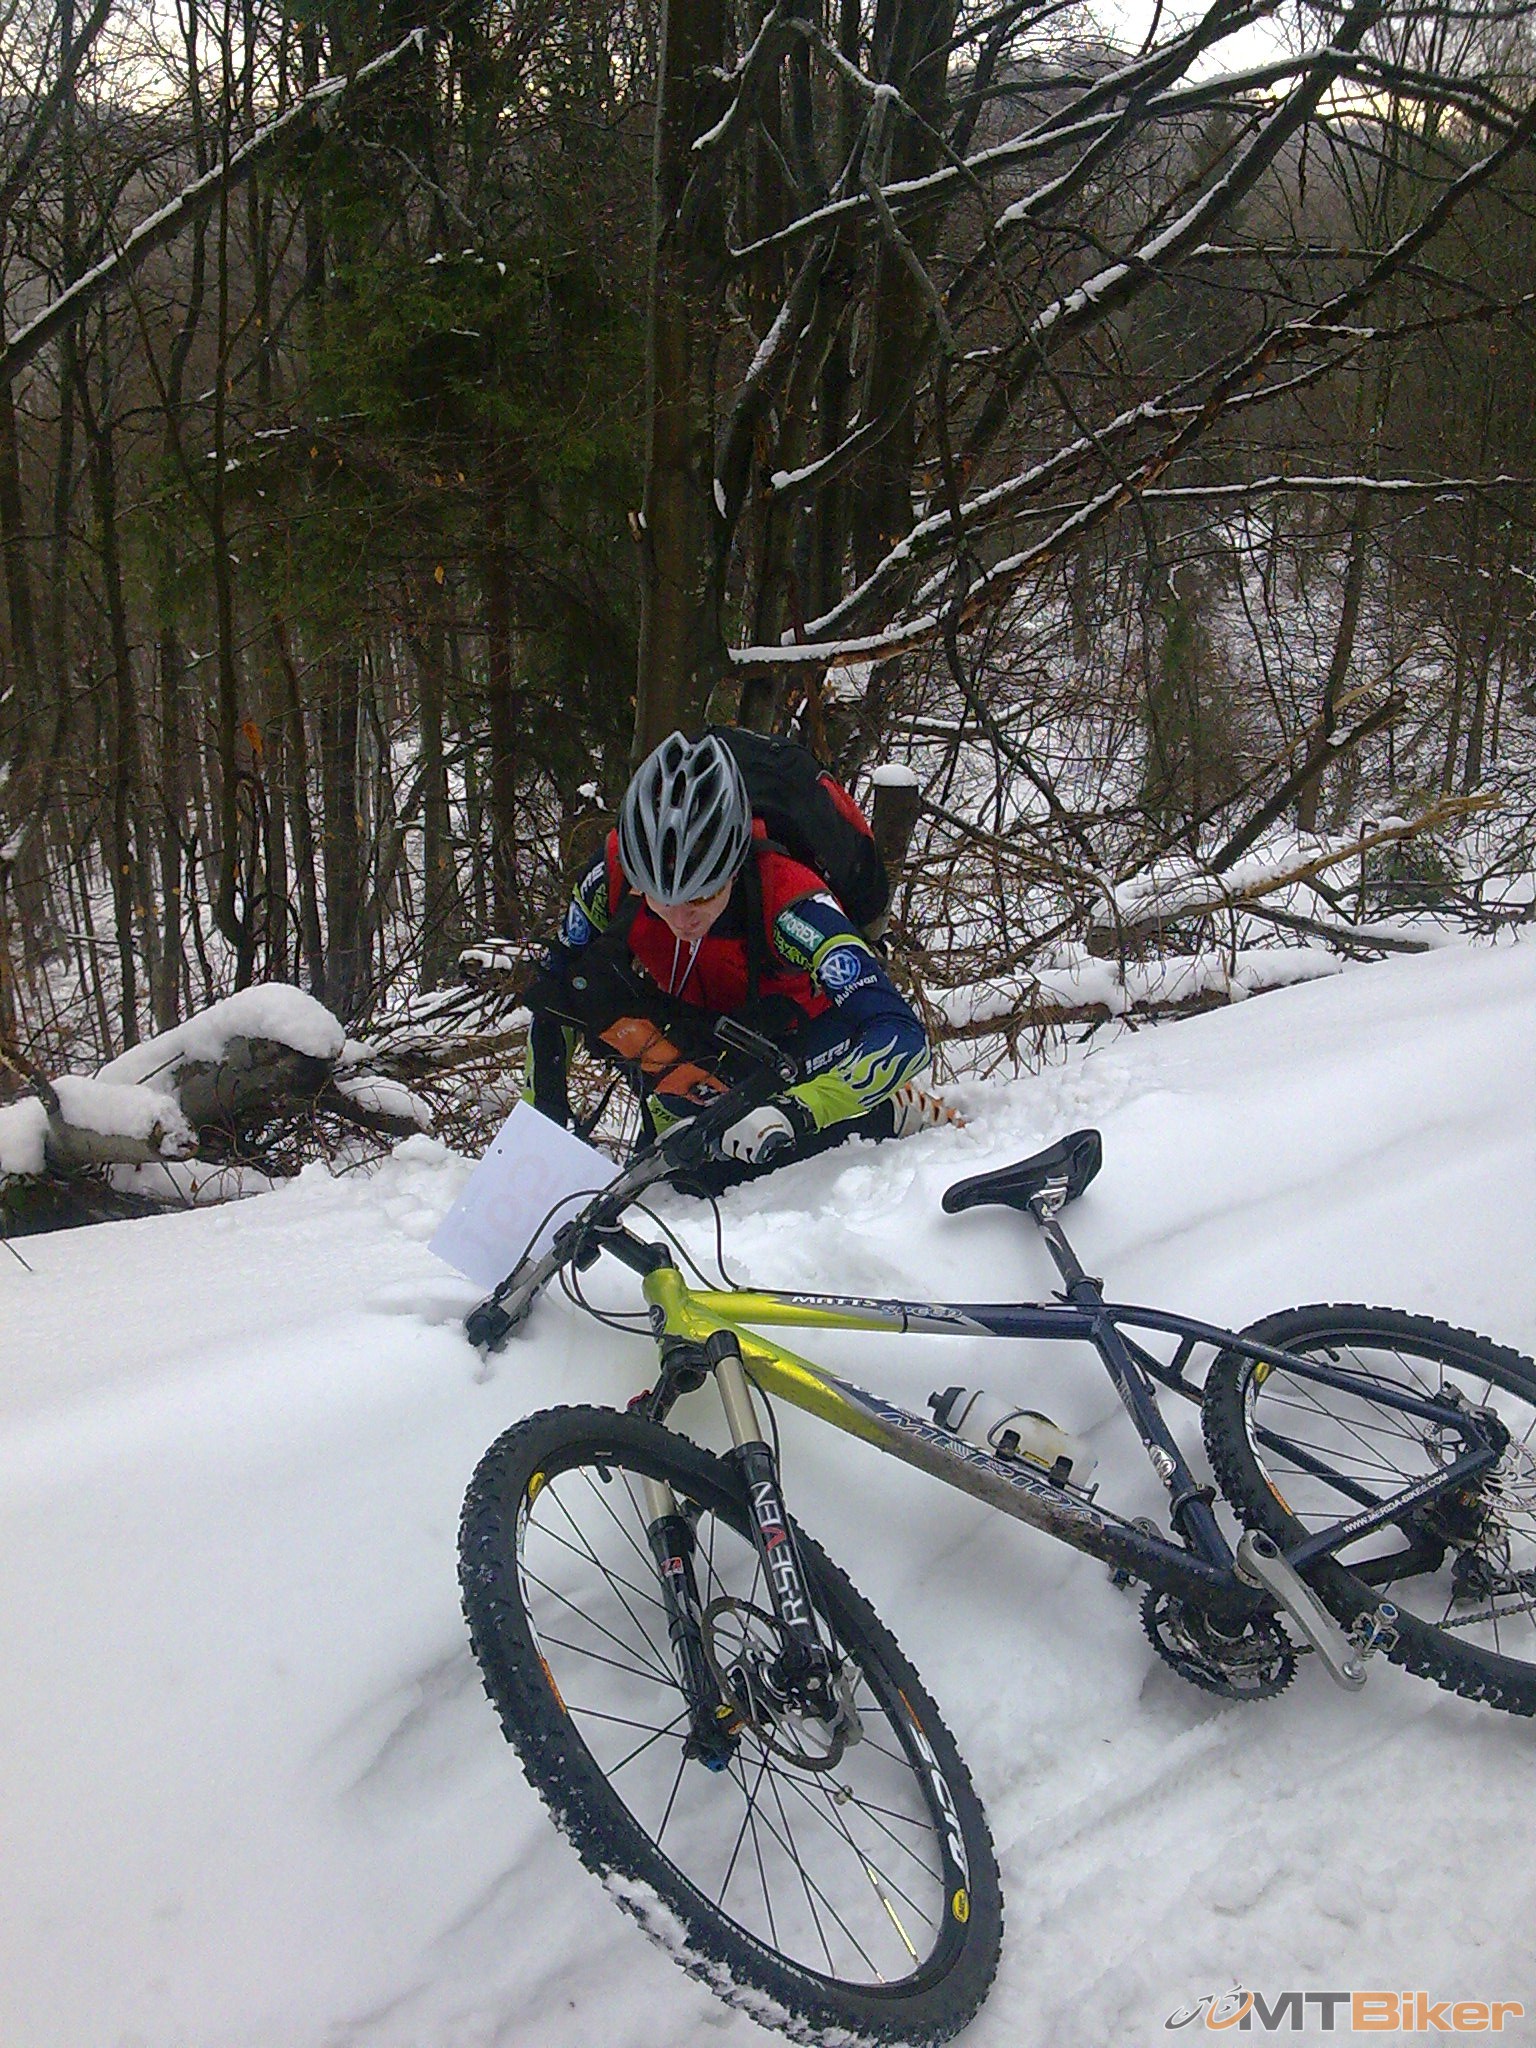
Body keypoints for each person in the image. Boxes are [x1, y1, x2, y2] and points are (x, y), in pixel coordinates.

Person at [522, 729, 950, 1186]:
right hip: (704, 1023)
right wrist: (539, 1128)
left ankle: (882, 1110)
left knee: (727, 1168)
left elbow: (901, 1033)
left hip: (806, 1030)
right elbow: (556, 995)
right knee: (677, 1163)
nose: (681, 920)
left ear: (732, 868)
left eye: (702, 896)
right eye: (660, 900)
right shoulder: (613, 873)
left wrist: (797, 1111)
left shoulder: (789, 899)